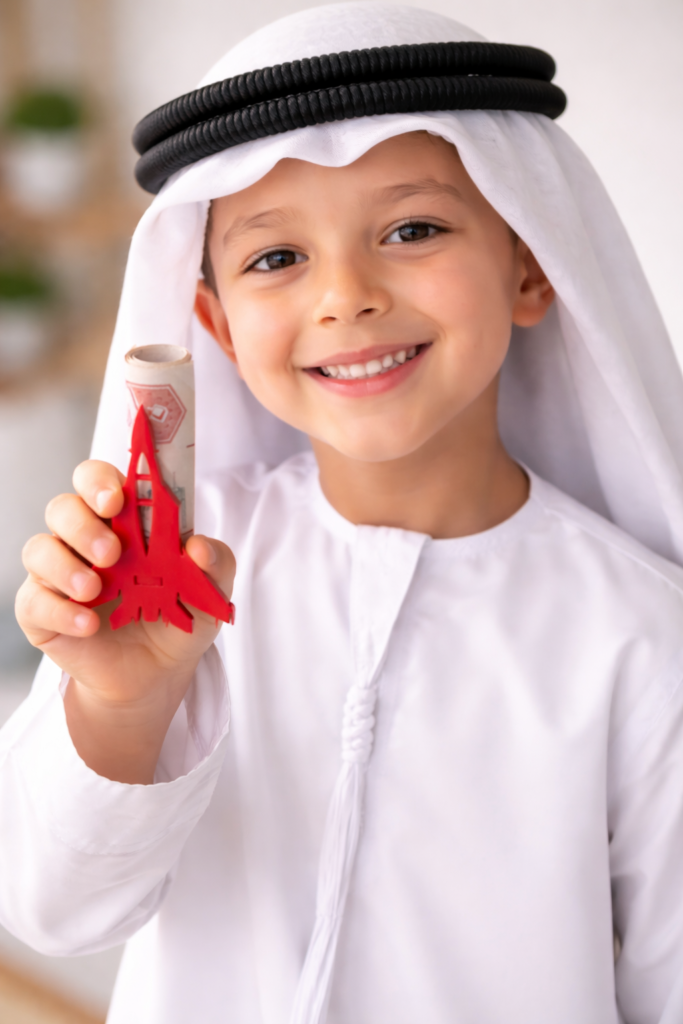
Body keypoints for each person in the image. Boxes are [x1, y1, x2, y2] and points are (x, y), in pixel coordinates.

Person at [3, 4, 683, 1022]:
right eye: (275, 258)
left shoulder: (637, 633)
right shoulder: (165, 580)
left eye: (412, 229)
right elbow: (52, 909)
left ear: (530, 265)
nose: (345, 297)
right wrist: (121, 705)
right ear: (216, 324)